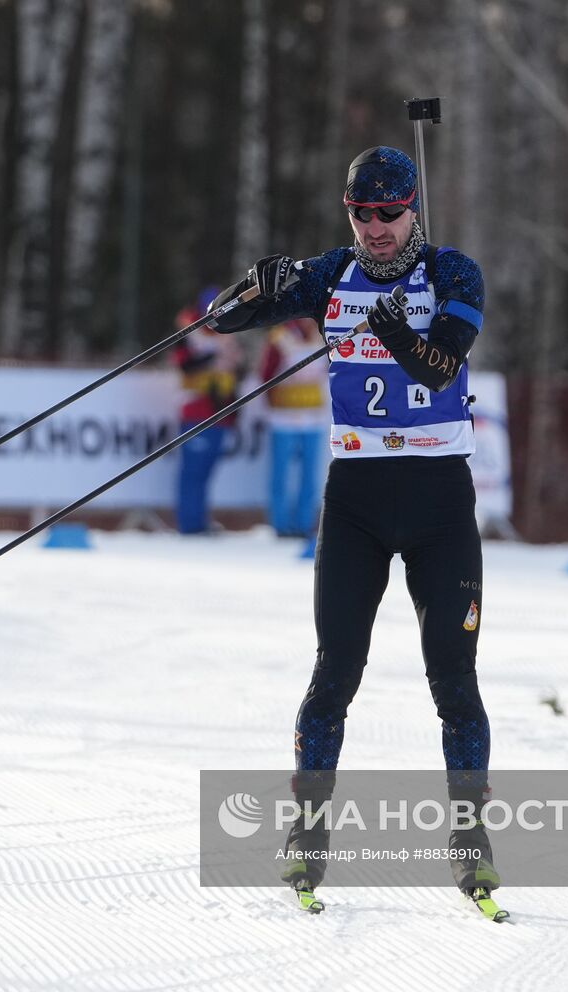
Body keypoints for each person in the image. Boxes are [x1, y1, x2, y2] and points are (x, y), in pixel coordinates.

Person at [208, 146, 495, 907]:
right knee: (335, 671)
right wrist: (252, 287)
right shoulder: (333, 272)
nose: (374, 228)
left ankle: (472, 848)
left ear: (413, 211)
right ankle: (307, 844)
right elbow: (226, 320)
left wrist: (395, 330)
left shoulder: (454, 274)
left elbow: (441, 367)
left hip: (438, 501)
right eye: (360, 214)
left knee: (454, 682)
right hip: (358, 501)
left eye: (388, 214)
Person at [172, 287, 244, 535]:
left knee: (206, 471)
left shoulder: (227, 332)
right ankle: (189, 524)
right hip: (195, 410)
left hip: (220, 410)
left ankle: (199, 520)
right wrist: (209, 358)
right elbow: (183, 364)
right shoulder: (188, 331)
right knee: (192, 471)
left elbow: (236, 368)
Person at [258, 318, 328, 537]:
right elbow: (266, 374)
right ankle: (279, 524)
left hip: (313, 416)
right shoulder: (280, 337)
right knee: (280, 473)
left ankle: (304, 523)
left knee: (310, 475)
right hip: (284, 417)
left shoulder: (321, 335)